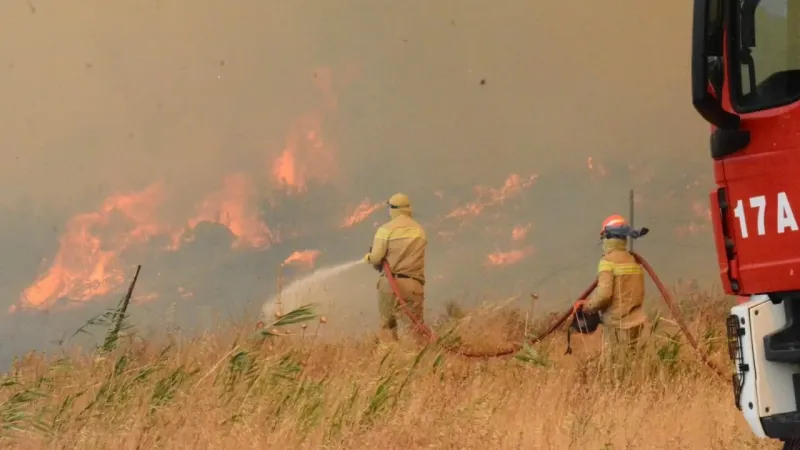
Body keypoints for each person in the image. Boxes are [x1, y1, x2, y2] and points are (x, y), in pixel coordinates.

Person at [575, 214, 647, 362]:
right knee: (633, 363)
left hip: (617, 325)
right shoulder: (633, 260)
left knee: (614, 367)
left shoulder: (607, 261)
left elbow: (604, 295)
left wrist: (587, 307)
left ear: (608, 237)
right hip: (638, 322)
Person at [364, 193, 427, 342]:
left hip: (390, 284)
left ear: (393, 209)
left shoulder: (385, 230)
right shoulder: (419, 230)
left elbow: (377, 257)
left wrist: (368, 257)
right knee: (415, 329)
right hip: (414, 284)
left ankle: (389, 360)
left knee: (387, 326)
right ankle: (416, 360)